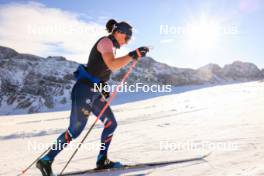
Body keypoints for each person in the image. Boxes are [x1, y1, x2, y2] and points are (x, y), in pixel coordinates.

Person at [36, 19, 149, 176]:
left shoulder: (112, 47)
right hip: (84, 91)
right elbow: (112, 65)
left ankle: (102, 160)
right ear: (118, 32)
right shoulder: (105, 42)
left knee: (111, 124)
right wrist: (133, 55)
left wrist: (102, 86)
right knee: (75, 131)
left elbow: (97, 70)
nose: (127, 41)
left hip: (94, 91)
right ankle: (46, 160)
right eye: (127, 38)